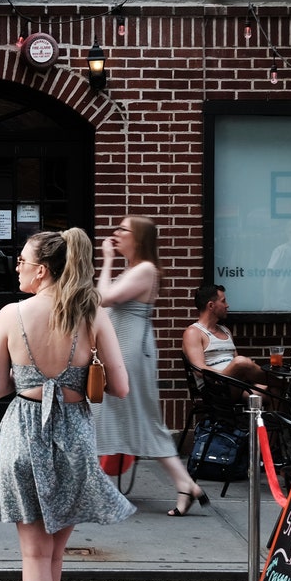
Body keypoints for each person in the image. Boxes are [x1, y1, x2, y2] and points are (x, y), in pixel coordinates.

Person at [0, 228, 134, 581]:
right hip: (73, 434)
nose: (18, 267)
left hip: (24, 432)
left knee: (34, 554)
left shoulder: (11, 314)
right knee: (52, 555)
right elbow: (121, 389)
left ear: (42, 269)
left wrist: (25, 370)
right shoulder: (92, 315)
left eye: (23, 261)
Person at [90, 216, 207, 516]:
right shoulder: (134, 269)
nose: (115, 234)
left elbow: (103, 298)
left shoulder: (145, 270)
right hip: (124, 351)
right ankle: (184, 483)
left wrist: (105, 261)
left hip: (129, 354)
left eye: (122, 230)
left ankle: (95, 487)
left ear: (138, 238)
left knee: (129, 417)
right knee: (120, 416)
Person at [180, 284, 265, 385]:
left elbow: (235, 360)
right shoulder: (193, 332)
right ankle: (285, 385)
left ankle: (283, 388)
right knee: (241, 362)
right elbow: (199, 370)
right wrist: (230, 374)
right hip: (215, 389)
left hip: (236, 385)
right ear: (211, 305)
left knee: (274, 391)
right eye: (223, 301)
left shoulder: (226, 331)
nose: (227, 305)